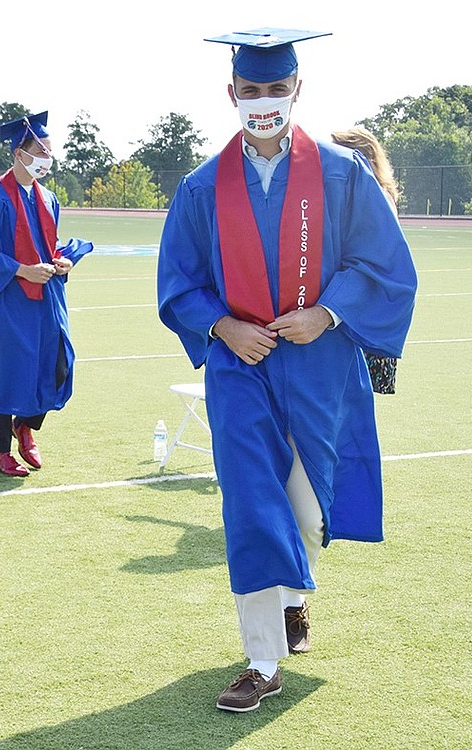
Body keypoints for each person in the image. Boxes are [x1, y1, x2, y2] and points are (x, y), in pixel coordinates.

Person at [156, 29, 418, 712]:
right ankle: (262, 660)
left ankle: (296, 595)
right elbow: (179, 281)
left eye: (276, 88)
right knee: (251, 502)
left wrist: (327, 314)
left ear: (296, 90)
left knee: (306, 507)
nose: (264, 101)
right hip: (241, 367)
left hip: (318, 362)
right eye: (252, 89)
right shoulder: (202, 187)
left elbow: (383, 265)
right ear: (232, 94)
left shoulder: (341, 173)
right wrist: (222, 325)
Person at [0, 111, 93, 477]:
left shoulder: (48, 198)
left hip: (48, 295)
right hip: (11, 298)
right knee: (9, 370)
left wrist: (61, 261)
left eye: (50, 152)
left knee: (56, 363)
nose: (46, 159)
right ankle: (0, 451)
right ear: (18, 153)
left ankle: (26, 425)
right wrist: (22, 270)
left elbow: (47, 245)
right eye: (40, 151)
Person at [331, 126, 403, 394]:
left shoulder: (378, 196)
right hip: (354, 305)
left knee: (353, 393)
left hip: (365, 308)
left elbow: (376, 257)